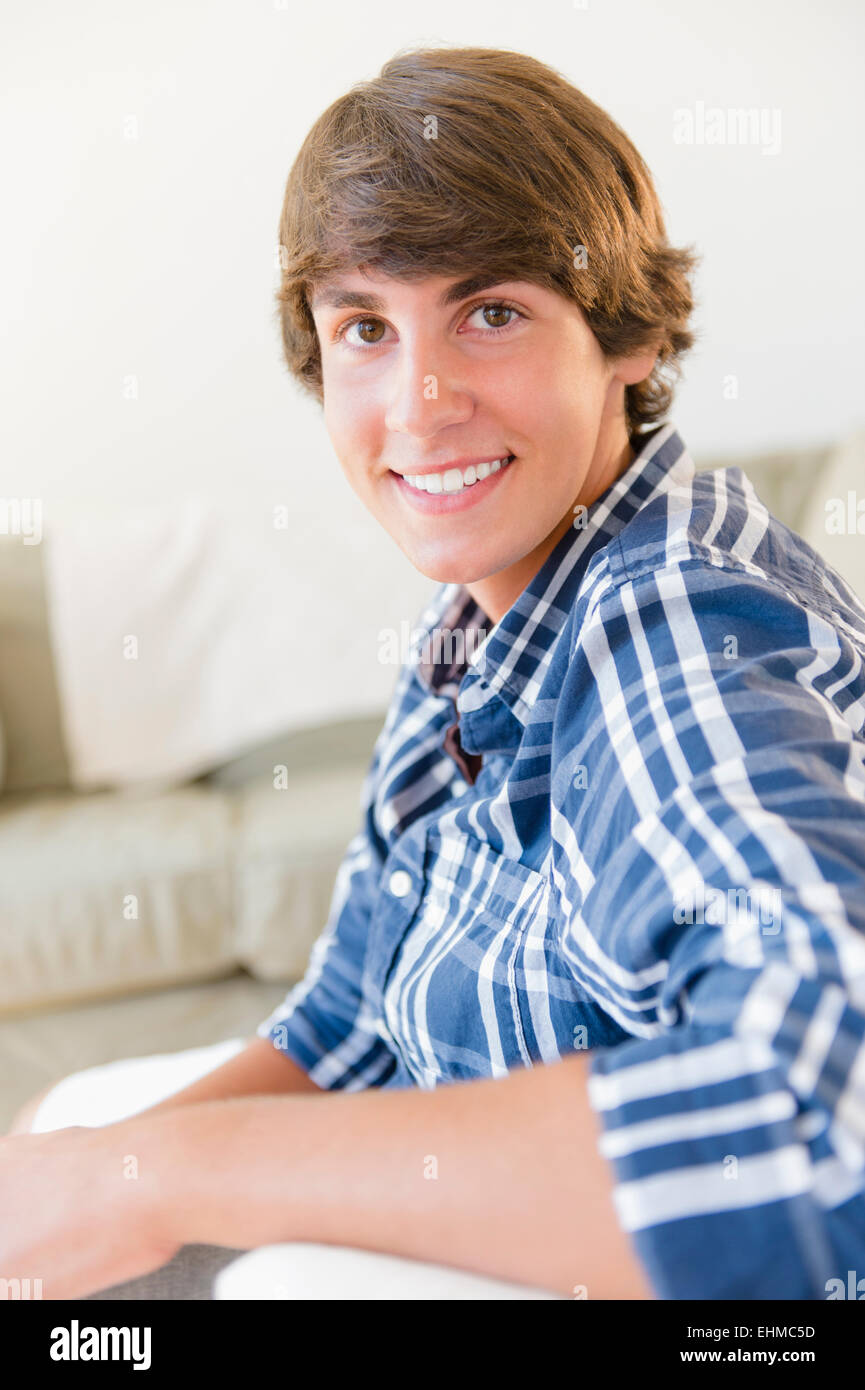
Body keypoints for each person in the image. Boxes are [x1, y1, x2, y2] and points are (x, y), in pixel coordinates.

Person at [5, 44, 865, 1302]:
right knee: (70, 1126)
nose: (418, 403)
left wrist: (158, 1179)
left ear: (622, 334)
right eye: (364, 327)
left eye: (491, 312)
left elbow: (808, 1117)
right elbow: (354, 1018)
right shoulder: (477, 623)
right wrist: (89, 1176)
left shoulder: (675, 608)